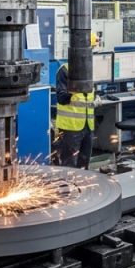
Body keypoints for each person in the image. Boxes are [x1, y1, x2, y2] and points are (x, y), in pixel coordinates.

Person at [55, 33, 100, 169]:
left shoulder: (91, 70)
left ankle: (83, 190)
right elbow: (61, 97)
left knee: (84, 165)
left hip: (88, 126)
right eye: (89, 49)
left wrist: (97, 98)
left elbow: (91, 93)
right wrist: (75, 88)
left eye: (93, 49)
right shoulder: (65, 70)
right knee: (69, 166)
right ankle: (68, 190)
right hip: (70, 128)